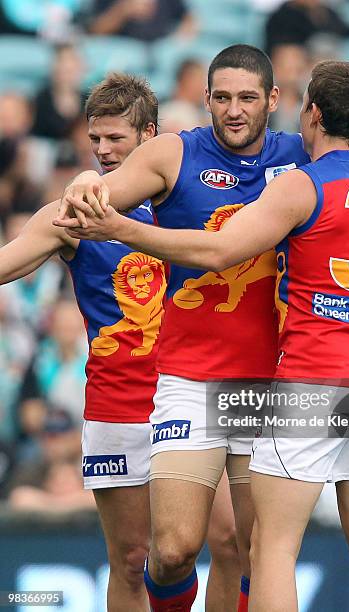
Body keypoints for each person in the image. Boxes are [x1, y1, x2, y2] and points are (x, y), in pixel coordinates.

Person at [56, 44, 349, 611]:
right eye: (221, 97)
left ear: (297, 107)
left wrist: (119, 228)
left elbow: (220, 250)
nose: (233, 108)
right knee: (180, 550)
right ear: (205, 100)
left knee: (266, 549)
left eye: (247, 97)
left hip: (288, 385)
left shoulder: (304, 173)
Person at [0, 73, 240, 612]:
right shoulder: (75, 214)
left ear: (150, 136)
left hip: (193, 394)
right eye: (96, 141)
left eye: (117, 139)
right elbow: (7, 264)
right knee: (133, 560)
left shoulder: (190, 198)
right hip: (117, 404)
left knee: (228, 543)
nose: (105, 152)